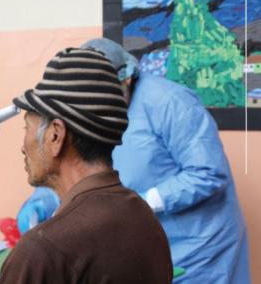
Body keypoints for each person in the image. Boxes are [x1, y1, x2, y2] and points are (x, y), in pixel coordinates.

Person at [17, 38, 251, 283]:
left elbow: (208, 172)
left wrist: (143, 202)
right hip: (136, 245)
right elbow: (78, 165)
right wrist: (41, 201)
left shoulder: (170, 102)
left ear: (126, 78)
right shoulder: (83, 116)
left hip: (198, 250)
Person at [0, 48, 173, 284]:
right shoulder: (144, 218)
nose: (23, 147)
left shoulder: (42, 250)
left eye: (27, 128)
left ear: (55, 136)